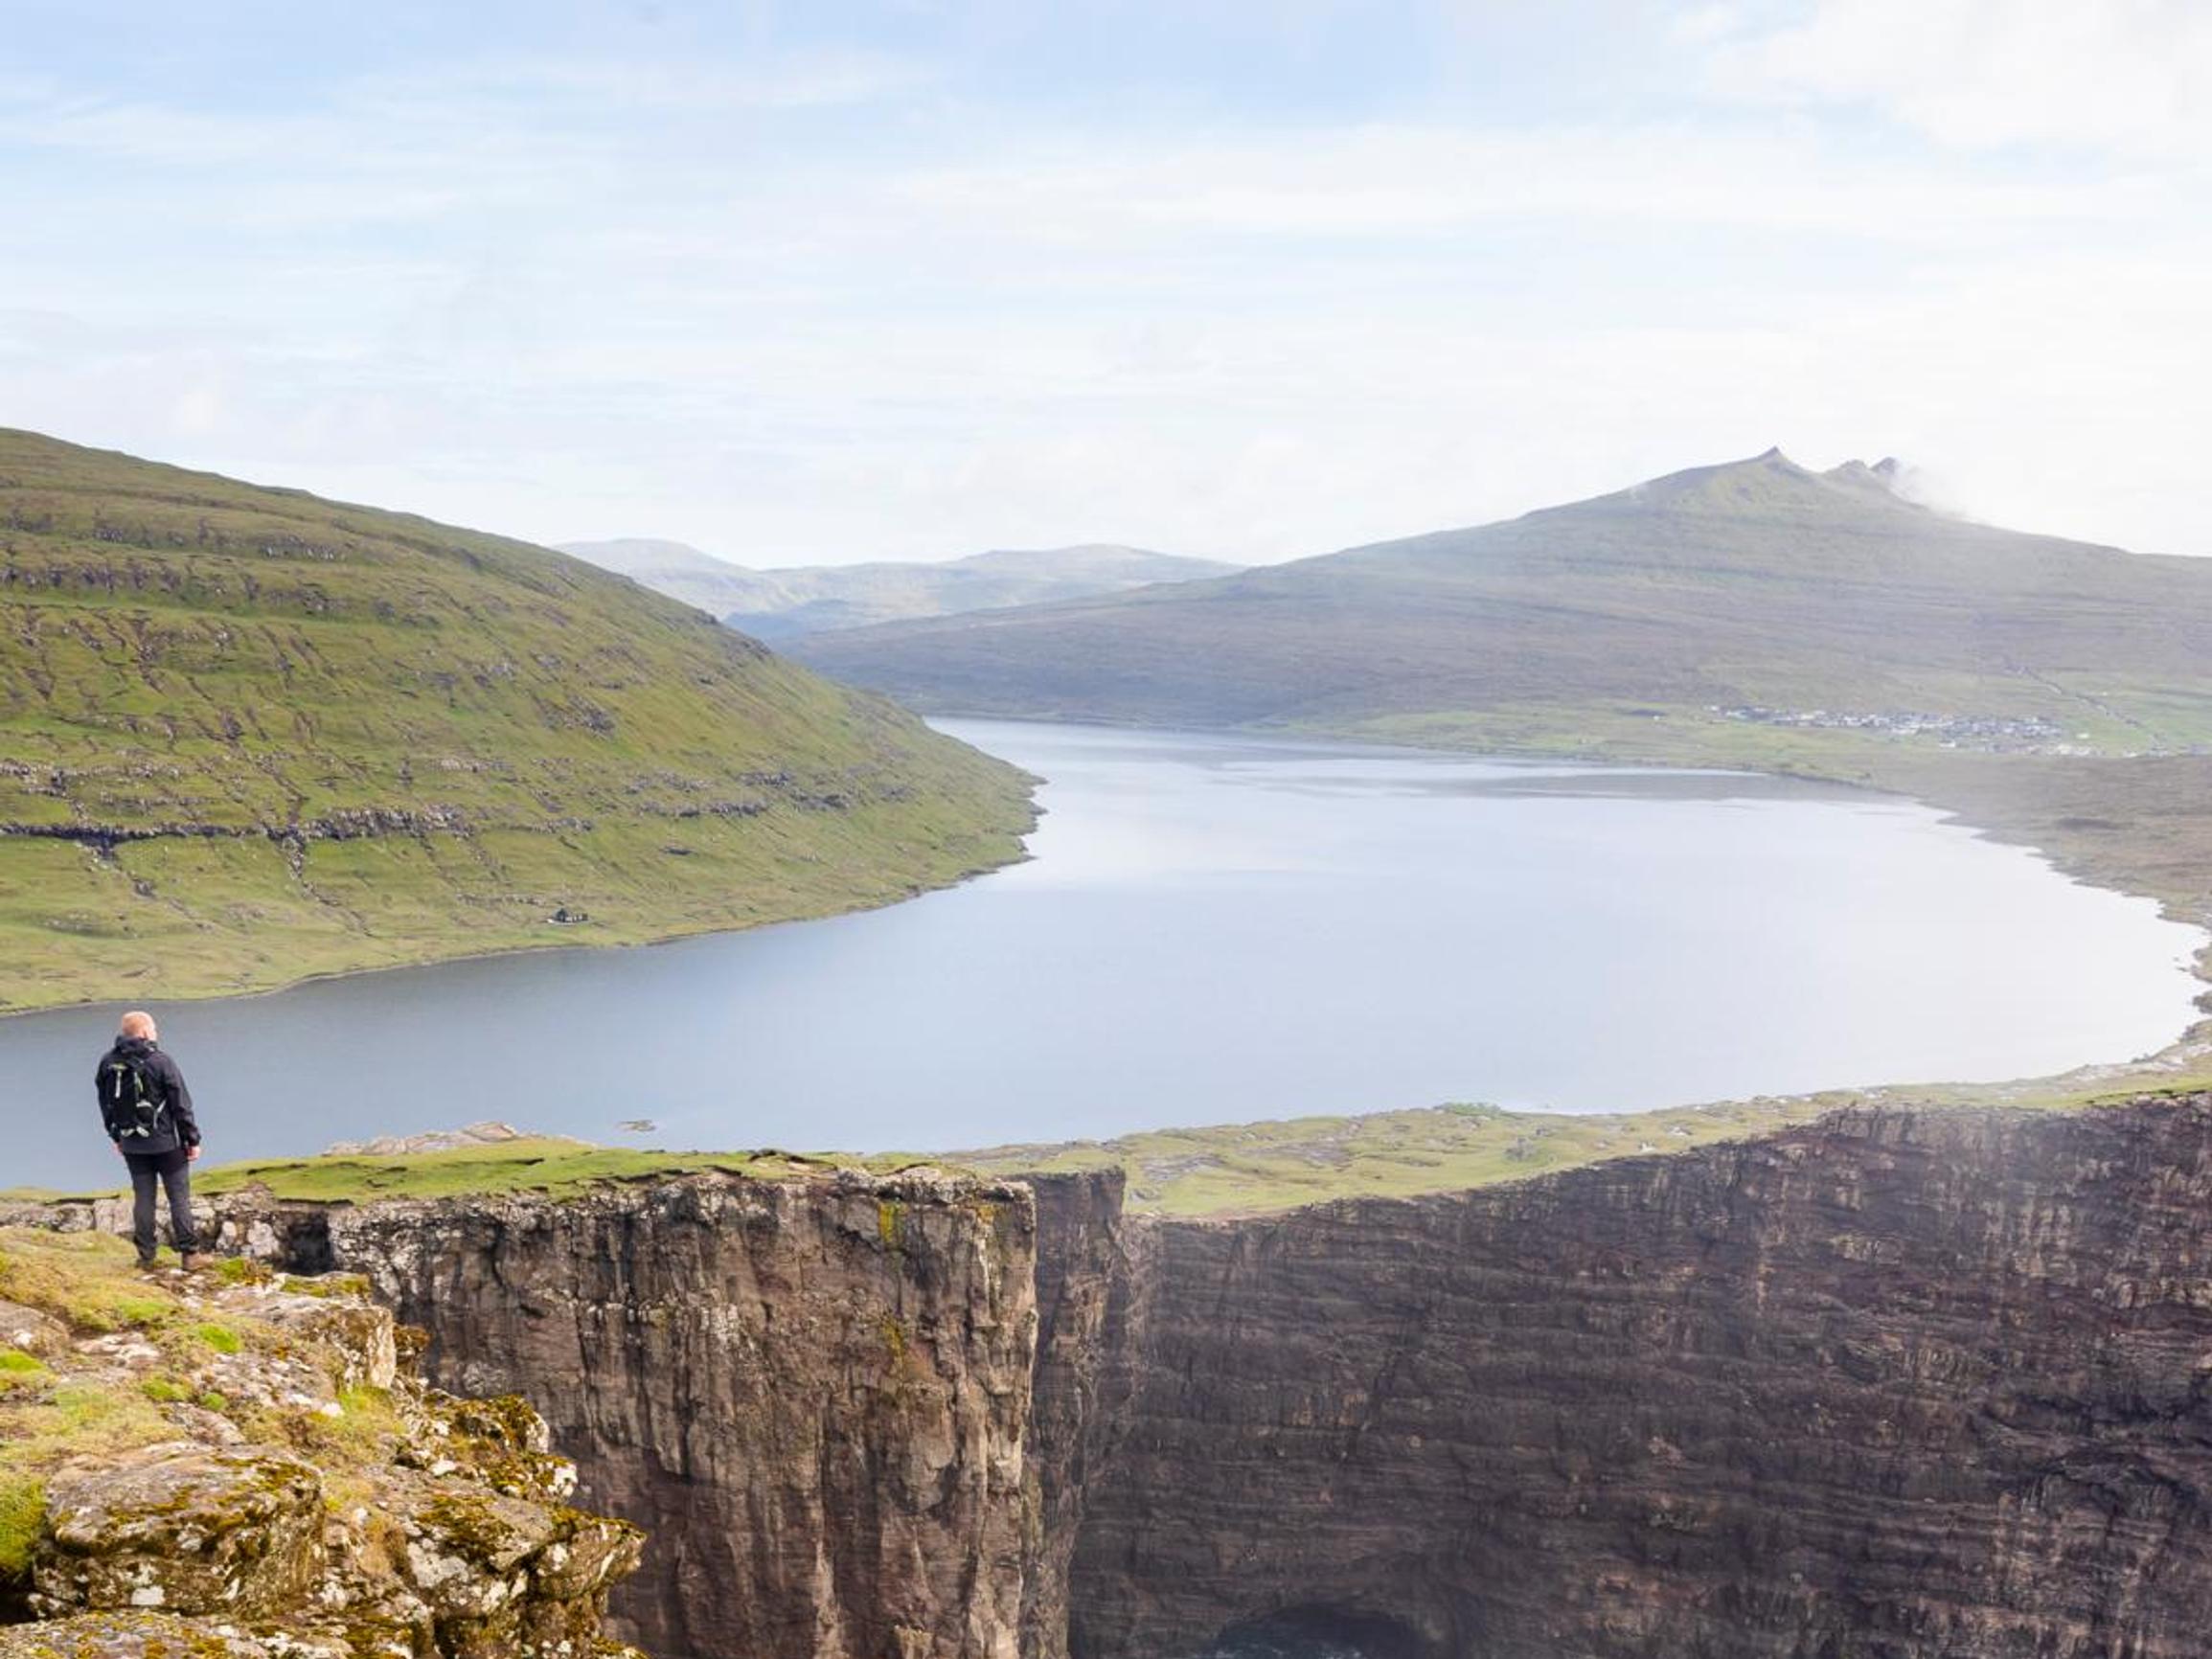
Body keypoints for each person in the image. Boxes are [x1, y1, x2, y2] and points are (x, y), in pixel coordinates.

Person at [95, 1011, 205, 1271]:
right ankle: (190, 1255)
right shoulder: (161, 1061)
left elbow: (105, 1103)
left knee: (143, 1197)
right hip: (166, 1143)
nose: (156, 1032)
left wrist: (117, 1135)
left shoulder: (107, 1062)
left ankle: (146, 1257)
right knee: (179, 1196)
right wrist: (192, 1139)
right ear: (144, 1032)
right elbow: (181, 1105)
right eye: (154, 1028)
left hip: (132, 1143)